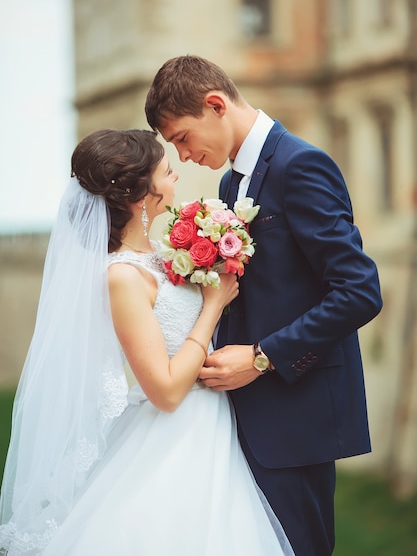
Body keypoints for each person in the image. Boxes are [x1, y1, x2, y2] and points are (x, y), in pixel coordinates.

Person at [0, 128, 295, 556]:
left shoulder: (160, 256)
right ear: (142, 195)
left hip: (214, 423)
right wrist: (213, 305)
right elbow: (166, 391)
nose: (175, 176)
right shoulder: (121, 277)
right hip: (179, 432)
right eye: (167, 171)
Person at [145, 55, 383, 556]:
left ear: (215, 105)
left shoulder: (302, 165)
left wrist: (261, 356)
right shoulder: (232, 183)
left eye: (183, 138)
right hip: (247, 415)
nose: (183, 157)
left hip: (298, 419)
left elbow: (359, 289)